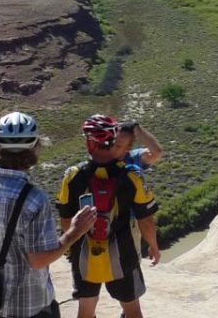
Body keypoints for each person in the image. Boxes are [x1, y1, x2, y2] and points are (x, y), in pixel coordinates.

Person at [0, 112, 98, 318]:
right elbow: (38, 261)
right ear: (34, 149)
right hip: (32, 305)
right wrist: (74, 232)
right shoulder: (34, 198)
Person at [56, 115, 162, 318]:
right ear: (113, 141)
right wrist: (153, 245)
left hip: (84, 253)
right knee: (132, 310)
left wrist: (69, 246)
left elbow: (66, 218)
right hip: (123, 253)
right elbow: (145, 220)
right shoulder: (132, 175)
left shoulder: (72, 175)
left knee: (85, 310)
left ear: (90, 142)